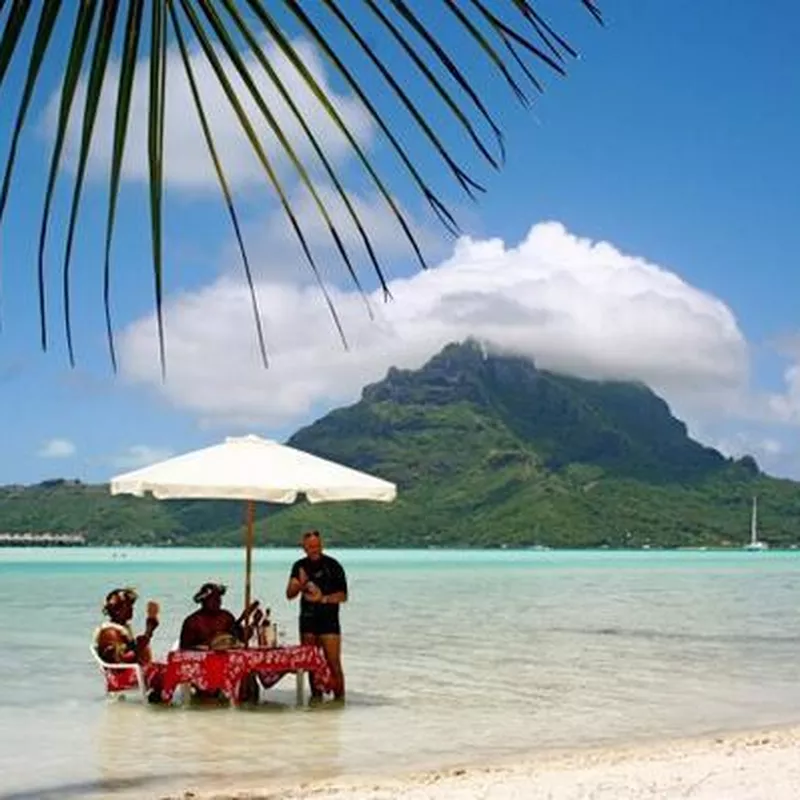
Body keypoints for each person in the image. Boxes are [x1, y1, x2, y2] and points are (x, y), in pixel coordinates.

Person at [286, 530, 348, 701]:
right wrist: (301, 584)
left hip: (329, 622)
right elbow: (289, 594)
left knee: (333, 662)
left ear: (322, 545)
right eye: (311, 547)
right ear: (304, 548)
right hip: (307, 621)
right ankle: (316, 699)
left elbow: (343, 596)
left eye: (317, 546)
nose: (315, 550)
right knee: (311, 663)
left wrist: (323, 598)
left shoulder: (333, 565)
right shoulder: (299, 566)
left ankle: (340, 699)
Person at [93, 587, 163, 701]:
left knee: (166, 669)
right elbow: (122, 660)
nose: (131, 609)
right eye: (128, 606)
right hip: (120, 678)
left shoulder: (121, 628)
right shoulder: (110, 632)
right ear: (116, 610)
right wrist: (148, 632)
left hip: (129, 671)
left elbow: (134, 651)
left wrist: (149, 631)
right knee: (162, 672)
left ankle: (159, 704)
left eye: (131, 606)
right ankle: (159, 707)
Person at [179, 582, 252, 650]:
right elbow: (184, 649)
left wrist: (251, 628)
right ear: (203, 601)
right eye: (213, 598)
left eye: (218, 598)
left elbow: (239, 638)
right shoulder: (192, 622)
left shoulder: (226, 617)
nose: (217, 601)